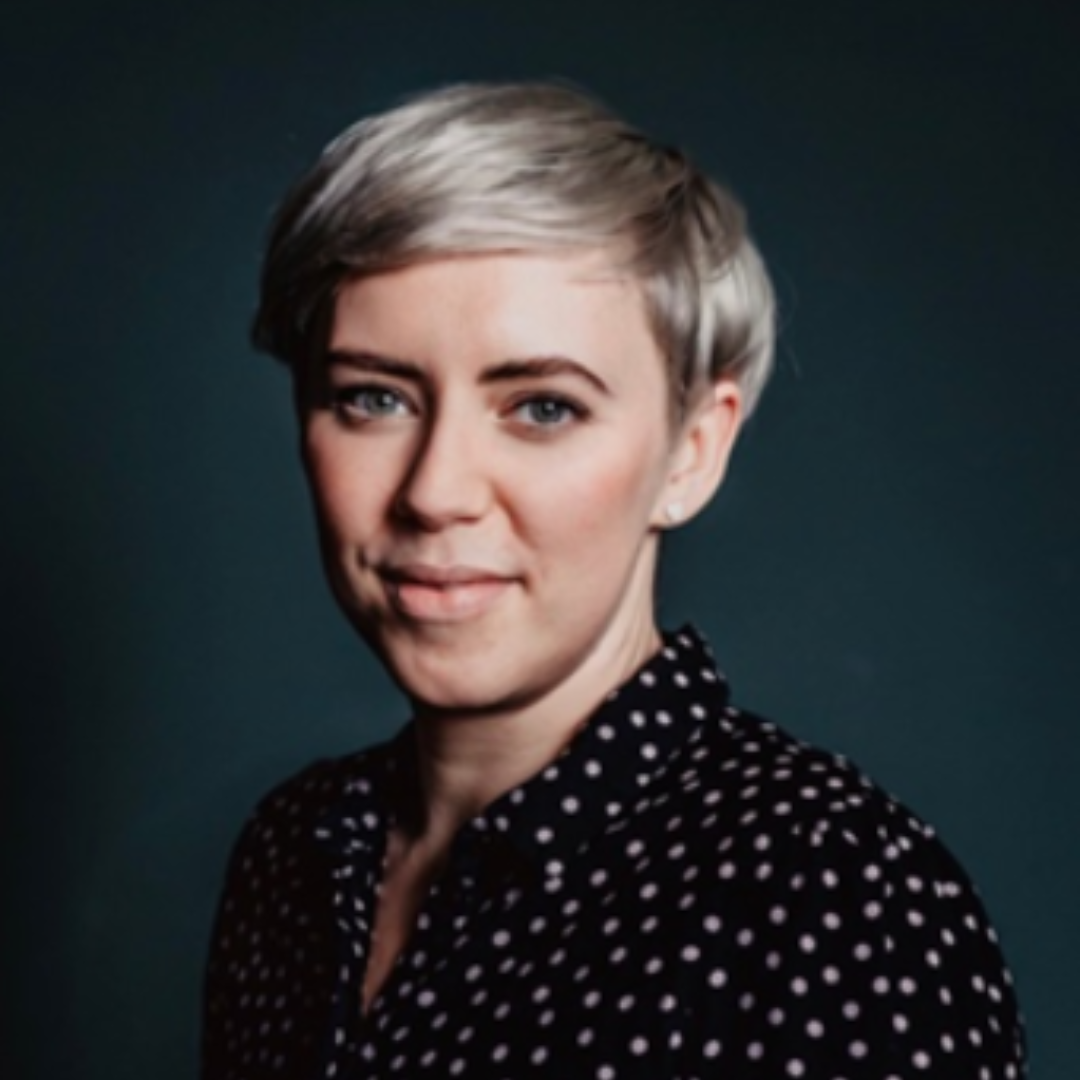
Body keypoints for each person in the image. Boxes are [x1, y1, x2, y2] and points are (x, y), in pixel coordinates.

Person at [202, 82, 1026, 1079]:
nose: (435, 492)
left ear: (692, 451)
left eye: (543, 408)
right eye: (374, 398)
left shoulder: (834, 895)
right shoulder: (297, 849)